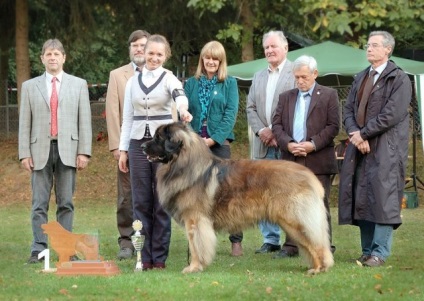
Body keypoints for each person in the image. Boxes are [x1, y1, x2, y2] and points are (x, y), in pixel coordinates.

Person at [119, 34, 192, 270]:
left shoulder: (169, 78)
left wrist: (183, 110)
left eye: (159, 54)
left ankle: (159, 258)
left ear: (165, 56)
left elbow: (179, 95)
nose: (154, 57)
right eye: (150, 53)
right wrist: (123, 150)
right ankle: (144, 257)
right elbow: (127, 118)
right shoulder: (132, 82)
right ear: (144, 52)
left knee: (161, 202)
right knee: (140, 201)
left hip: (163, 147)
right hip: (137, 145)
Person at [338, 31, 412, 267]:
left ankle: (380, 253)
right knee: (362, 199)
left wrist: (363, 133)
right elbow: (348, 110)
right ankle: (367, 250)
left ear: (387, 50)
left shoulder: (398, 78)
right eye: (367, 45)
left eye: (374, 45)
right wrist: (355, 135)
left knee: (382, 199)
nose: (369, 49)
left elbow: (392, 114)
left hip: (386, 150)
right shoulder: (361, 77)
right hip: (361, 147)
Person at [19, 38, 92, 263]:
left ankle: (66, 249)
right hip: (39, 149)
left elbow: (84, 120)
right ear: (42, 58)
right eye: (48, 54)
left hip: (68, 150)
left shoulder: (78, 84)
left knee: (66, 203)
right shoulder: (30, 87)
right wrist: (24, 153)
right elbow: (24, 122)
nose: (52, 58)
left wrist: (84, 151)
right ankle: (39, 249)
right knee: (39, 203)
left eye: (56, 54)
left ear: (64, 58)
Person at [272, 55, 339, 258]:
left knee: (320, 204)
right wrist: (289, 144)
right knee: (289, 204)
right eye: (297, 77)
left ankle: (324, 246)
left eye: (304, 77)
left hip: (318, 159)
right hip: (290, 159)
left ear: (315, 74)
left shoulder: (329, 95)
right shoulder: (286, 97)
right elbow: (276, 125)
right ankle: (291, 246)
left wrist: (313, 144)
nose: (300, 81)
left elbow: (334, 126)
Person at [184, 41, 242, 256]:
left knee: (227, 191)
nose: (211, 62)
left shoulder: (230, 83)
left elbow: (230, 114)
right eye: (207, 58)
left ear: (221, 61)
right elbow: (184, 113)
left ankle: (236, 240)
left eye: (215, 58)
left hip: (220, 144)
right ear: (202, 60)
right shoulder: (191, 83)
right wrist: (194, 139)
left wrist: (214, 139)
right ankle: (197, 237)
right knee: (195, 192)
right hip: (194, 146)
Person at [246, 30, 296, 255]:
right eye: (266, 47)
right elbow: (250, 108)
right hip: (262, 144)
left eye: (273, 46)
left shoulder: (296, 72)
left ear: (285, 48)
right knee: (262, 193)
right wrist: (262, 131)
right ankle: (270, 239)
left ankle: (292, 240)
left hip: (286, 143)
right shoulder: (258, 76)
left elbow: (297, 109)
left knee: (287, 192)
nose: (269, 51)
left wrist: (277, 133)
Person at [106, 29, 150, 260]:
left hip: (155, 147)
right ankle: (126, 241)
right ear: (130, 49)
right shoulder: (118, 75)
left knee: (153, 195)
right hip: (128, 147)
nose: (139, 49)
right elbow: (113, 112)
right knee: (126, 197)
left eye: (143, 45)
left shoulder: (161, 74)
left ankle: (149, 241)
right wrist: (117, 147)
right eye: (134, 45)